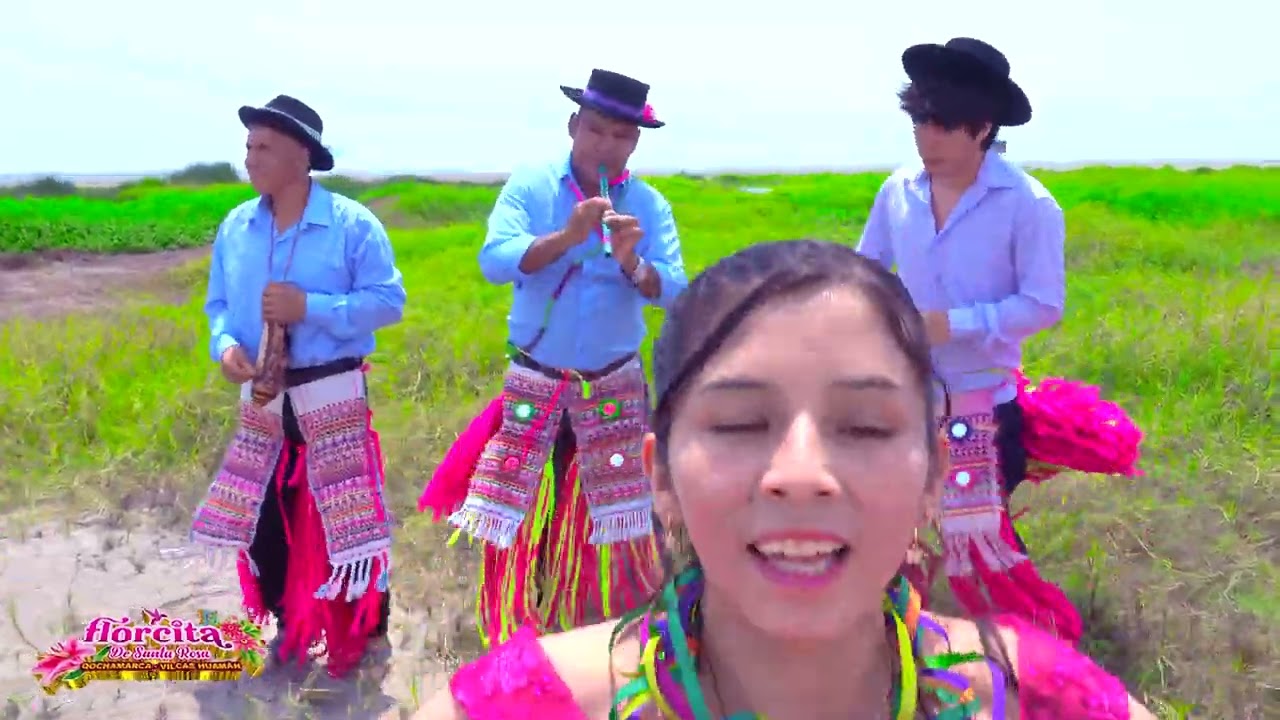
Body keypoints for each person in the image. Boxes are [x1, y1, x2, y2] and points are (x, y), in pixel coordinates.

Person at [405, 239, 1155, 719]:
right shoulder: (523, 707)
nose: (801, 476)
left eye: (864, 426)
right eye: (737, 425)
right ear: (658, 476)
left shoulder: (1043, 701)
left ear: (936, 476)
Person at [416, 68, 688, 646]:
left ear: (635, 142)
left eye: (620, 136)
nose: (605, 145)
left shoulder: (648, 203)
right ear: (573, 126)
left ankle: (599, 634)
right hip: (537, 383)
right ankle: (517, 632)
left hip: (611, 386)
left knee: (611, 520)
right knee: (518, 514)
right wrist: (567, 237)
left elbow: (680, 293)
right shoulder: (532, 185)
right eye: (595, 130)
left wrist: (632, 263)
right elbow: (495, 261)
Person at [856, 37, 1098, 644]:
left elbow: (1044, 304)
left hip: (983, 405)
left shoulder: (1029, 205)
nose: (926, 138)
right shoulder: (898, 192)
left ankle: (997, 646)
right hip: (904, 397)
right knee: (889, 521)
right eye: (919, 121)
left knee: (977, 533)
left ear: (983, 127)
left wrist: (956, 323)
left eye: (943, 124)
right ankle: (894, 636)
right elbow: (867, 269)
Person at [189, 94, 407, 680]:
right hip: (261, 397)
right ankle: (289, 624)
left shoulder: (351, 225)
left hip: (329, 390)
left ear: (301, 158)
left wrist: (311, 306)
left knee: (346, 519)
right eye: (249, 146)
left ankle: (362, 629)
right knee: (263, 517)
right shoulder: (237, 226)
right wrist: (225, 346)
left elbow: (389, 302)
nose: (251, 159)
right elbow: (217, 306)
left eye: (265, 148)